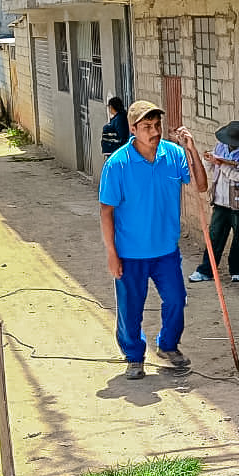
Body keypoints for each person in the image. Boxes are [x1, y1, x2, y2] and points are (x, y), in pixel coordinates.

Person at [99, 100, 208, 379]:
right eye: (147, 126)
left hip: (165, 250)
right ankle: (134, 356)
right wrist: (111, 253)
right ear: (133, 129)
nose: (155, 131)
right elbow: (106, 211)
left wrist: (192, 149)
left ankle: (168, 345)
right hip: (130, 253)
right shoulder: (117, 164)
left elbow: (201, 185)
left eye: (157, 125)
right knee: (130, 309)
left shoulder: (173, 154)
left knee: (176, 299)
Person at [189, 121, 239, 284]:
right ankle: (206, 270)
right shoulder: (220, 147)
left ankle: (238, 270)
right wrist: (209, 160)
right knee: (214, 237)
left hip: (238, 203)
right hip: (220, 201)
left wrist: (222, 165)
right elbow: (209, 167)